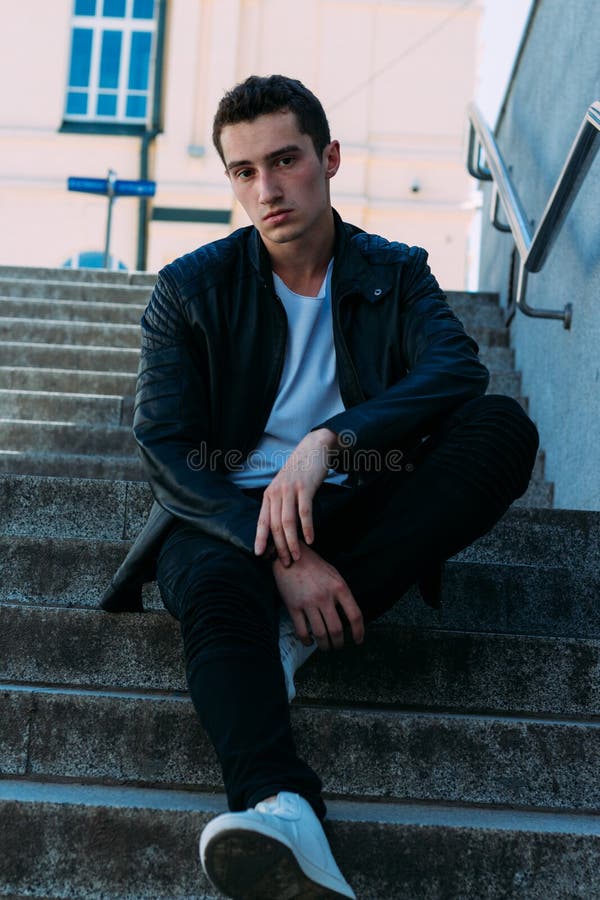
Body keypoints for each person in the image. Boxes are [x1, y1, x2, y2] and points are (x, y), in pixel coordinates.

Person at [101, 74, 539, 898]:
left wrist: (331, 441)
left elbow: (455, 369)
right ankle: (281, 807)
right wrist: (278, 554)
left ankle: (295, 637)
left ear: (328, 158)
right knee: (211, 584)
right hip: (224, 518)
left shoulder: (394, 272)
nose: (266, 189)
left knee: (500, 427)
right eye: (242, 171)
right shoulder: (189, 290)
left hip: (356, 497)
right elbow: (164, 444)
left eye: (285, 159)